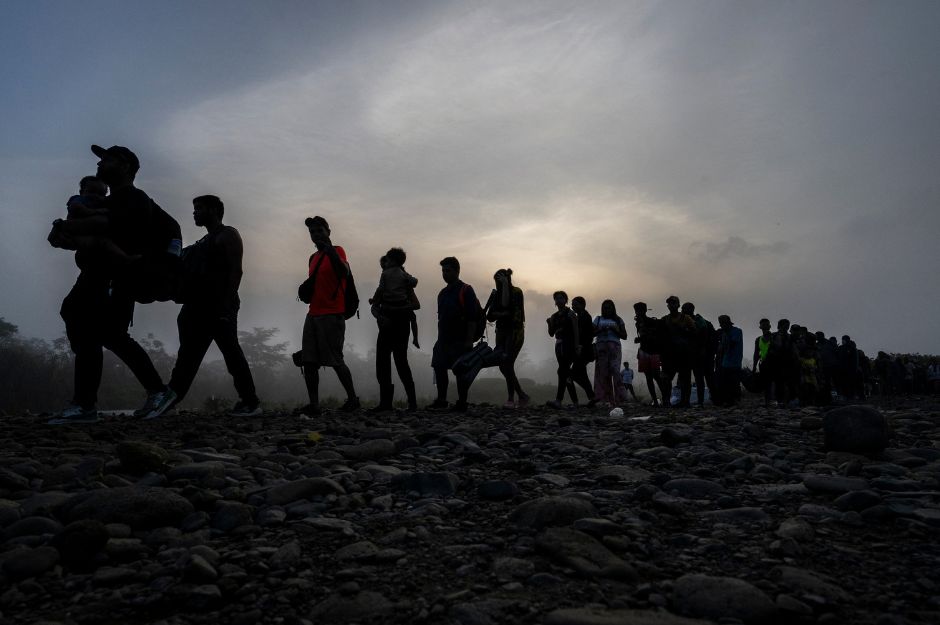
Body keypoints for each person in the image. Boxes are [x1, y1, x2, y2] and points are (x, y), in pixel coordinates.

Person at [48, 145, 173, 425]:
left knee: (105, 333)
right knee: (84, 323)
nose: (100, 163)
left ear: (125, 166)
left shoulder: (133, 198)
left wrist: (67, 227)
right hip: (97, 274)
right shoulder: (115, 198)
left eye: (107, 159)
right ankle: (88, 403)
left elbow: (105, 227)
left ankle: (92, 403)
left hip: (115, 276)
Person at [145, 195, 261, 419]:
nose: (194, 212)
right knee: (188, 356)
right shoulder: (201, 243)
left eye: (199, 208)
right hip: (197, 305)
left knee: (231, 354)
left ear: (214, 210)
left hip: (218, 305)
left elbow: (236, 271)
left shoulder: (227, 234)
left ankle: (251, 402)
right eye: (194, 208)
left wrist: (225, 306)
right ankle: (169, 402)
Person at [297, 216, 360, 416]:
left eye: (320, 231)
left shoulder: (338, 251)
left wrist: (330, 250)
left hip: (332, 314)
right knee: (309, 361)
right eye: (313, 232)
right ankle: (314, 404)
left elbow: (344, 273)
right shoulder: (312, 258)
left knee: (335, 359)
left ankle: (353, 399)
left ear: (328, 232)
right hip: (313, 313)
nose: (316, 235)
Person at [428, 257, 480, 412]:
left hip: (460, 339)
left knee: (460, 371)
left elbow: (472, 318)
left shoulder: (466, 290)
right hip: (443, 339)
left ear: (457, 271)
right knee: (439, 366)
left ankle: (462, 402)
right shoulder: (442, 293)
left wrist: (469, 340)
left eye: (448, 271)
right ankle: (442, 400)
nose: (445, 274)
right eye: (443, 271)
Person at [369, 248, 418, 412]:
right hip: (390, 322)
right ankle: (389, 403)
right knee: (386, 361)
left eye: (387, 263)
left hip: (396, 321)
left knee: (398, 361)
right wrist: (380, 316)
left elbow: (415, 304)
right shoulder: (401, 279)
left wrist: (398, 310)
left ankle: (409, 402)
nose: (385, 267)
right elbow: (375, 305)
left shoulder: (394, 280)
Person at [485, 268, 530, 408]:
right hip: (501, 333)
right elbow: (490, 315)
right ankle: (521, 395)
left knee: (507, 363)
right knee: (503, 365)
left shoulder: (517, 292)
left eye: (501, 280)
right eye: (497, 280)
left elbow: (507, 307)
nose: (498, 283)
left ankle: (512, 398)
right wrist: (502, 314)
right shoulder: (496, 294)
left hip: (514, 333)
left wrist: (505, 285)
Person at [659, 296, 696, 408]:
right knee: (666, 379)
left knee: (685, 379)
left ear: (678, 305)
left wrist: (684, 330)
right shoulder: (665, 319)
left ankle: (685, 402)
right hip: (669, 355)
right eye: (669, 304)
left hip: (684, 354)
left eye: (673, 303)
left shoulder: (686, 318)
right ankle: (666, 401)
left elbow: (694, 333)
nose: (671, 305)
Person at [592, 300, 628, 406]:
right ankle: (606, 399)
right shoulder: (598, 319)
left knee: (615, 371)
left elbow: (624, 336)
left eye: (609, 307)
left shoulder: (618, 319)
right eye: (605, 307)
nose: (607, 309)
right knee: (603, 374)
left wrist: (614, 329)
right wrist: (601, 330)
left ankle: (620, 398)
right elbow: (591, 333)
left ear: (613, 308)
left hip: (614, 347)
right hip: (601, 348)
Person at [546, 291, 579, 408]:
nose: (559, 300)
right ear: (555, 301)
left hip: (568, 345)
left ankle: (559, 400)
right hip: (558, 345)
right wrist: (549, 323)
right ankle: (575, 402)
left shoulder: (570, 314)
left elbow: (576, 331)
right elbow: (551, 333)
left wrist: (576, 346)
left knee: (562, 371)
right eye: (557, 298)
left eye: (561, 298)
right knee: (565, 373)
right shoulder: (554, 316)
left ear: (566, 300)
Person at [681, 302, 716, 407]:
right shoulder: (692, 321)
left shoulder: (699, 321)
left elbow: (703, 336)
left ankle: (703, 401)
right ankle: (705, 400)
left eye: (684, 309)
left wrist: (703, 350)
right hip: (694, 354)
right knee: (700, 378)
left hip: (700, 355)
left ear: (691, 310)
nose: (682, 311)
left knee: (702, 378)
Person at [633, 302, 664, 406]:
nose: (638, 312)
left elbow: (652, 335)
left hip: (653, 351)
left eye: (640, 310)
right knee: (649, 377)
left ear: (645, 310)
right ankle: (655, 400)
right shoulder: (638, 323)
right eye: (637, 310)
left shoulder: (652, 321)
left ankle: (664, 398)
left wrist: (641, 338)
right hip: (644, 351)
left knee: (656, 376)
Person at [570, 296, 597, 407]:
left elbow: (584, 335)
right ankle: (592, 398)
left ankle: (587, 398)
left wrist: (579, 347)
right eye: (572, 304)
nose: (573, 306)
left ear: (582, 305)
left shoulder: (584, 317)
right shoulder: (582, 316)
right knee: (582, 375)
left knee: (572, 375)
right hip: (585, 350)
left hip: (583, 350)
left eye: (575, 304)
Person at [714, 315, 743, 406]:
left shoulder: (737, 331)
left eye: (723, 323)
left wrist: (723, 335)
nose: (722, 325)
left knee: (734, 382)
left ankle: (734, 399)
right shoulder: (723, 333)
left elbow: (731, 344)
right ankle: (726, 400)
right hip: (725, 361)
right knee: (724, 382)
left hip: (735, 361)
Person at [752, 318, 774, 407]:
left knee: (775, 382)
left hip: (774, 363)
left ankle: (777, 401)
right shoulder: (758, 339)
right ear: (760, 327)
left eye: (766, 324)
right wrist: (754, 366)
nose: (765, 326)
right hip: (763, 364)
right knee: (766, 383)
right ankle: (767, 402)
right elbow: (756, 353)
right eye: (763, 325)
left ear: (770, 326)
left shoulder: (774, 337)